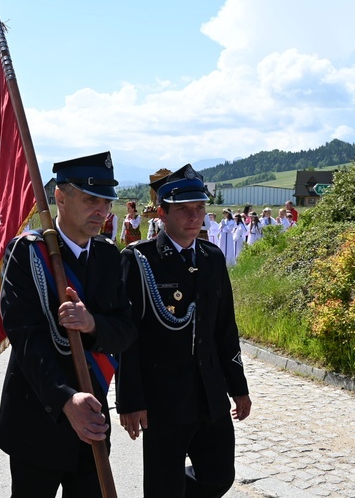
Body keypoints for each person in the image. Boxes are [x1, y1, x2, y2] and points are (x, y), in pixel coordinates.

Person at [0, 151, 135, 497]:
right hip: (36, 421)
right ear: (59, 196)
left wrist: (91, 325)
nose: (102, 211)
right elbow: (26, 340)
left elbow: (126, 329)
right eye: (91, 200)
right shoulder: (27, 254)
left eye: (106, 202)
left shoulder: (107, 255)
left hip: (91, 421)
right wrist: (64, 399)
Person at [117, 163, 251, 498]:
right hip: (163, 401)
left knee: (219, 476)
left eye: (200, 208)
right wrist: (130, 400)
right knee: (164, 487)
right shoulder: (138, 260)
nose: (195, 216)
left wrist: (238, 387)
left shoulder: (212, 257)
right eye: (184, 210)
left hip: (210, 394)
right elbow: (127, 338)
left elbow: (225, 328)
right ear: (162, 213)